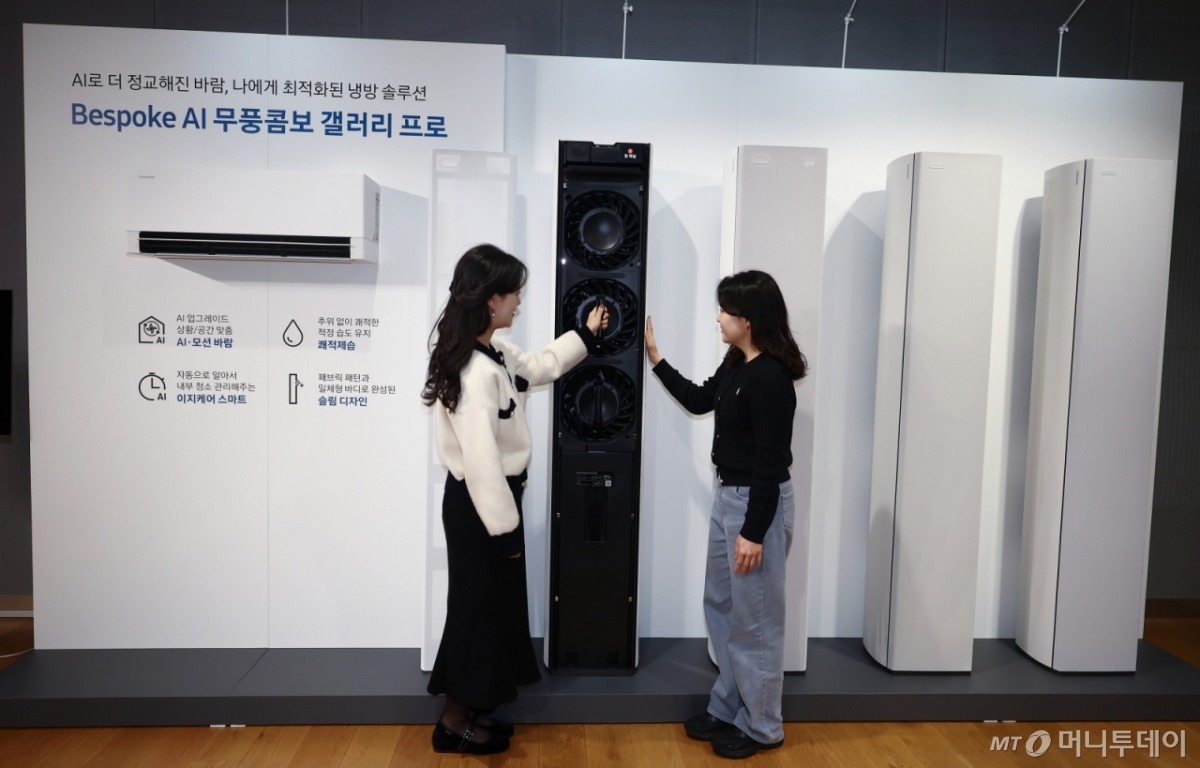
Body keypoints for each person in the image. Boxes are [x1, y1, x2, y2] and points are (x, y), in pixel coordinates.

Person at [422, 244, 607, 755]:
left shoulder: (496, 353)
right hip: (481, 510)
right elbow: (482, 465)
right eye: (513, 293)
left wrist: (585, 334)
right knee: (474, 614)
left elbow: (542, 366)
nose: (518, 301)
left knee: (489, 611)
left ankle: (472, 709)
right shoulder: (474, 371)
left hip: (492, 506)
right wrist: (505, 534)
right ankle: (451, 724)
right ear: (491, 300)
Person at [644, 270, 805, 760]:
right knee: (722, 605)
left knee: (755, 620)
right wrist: (657, 360)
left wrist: (754, 532)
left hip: (757, 505)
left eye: (724, 310)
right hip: (727, 497)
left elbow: (770, 463)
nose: (717, 318)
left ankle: (763, 726)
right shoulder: (736, 362)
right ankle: (731, 705)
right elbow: (699, 400)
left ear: (747, 319)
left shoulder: (771, 379)